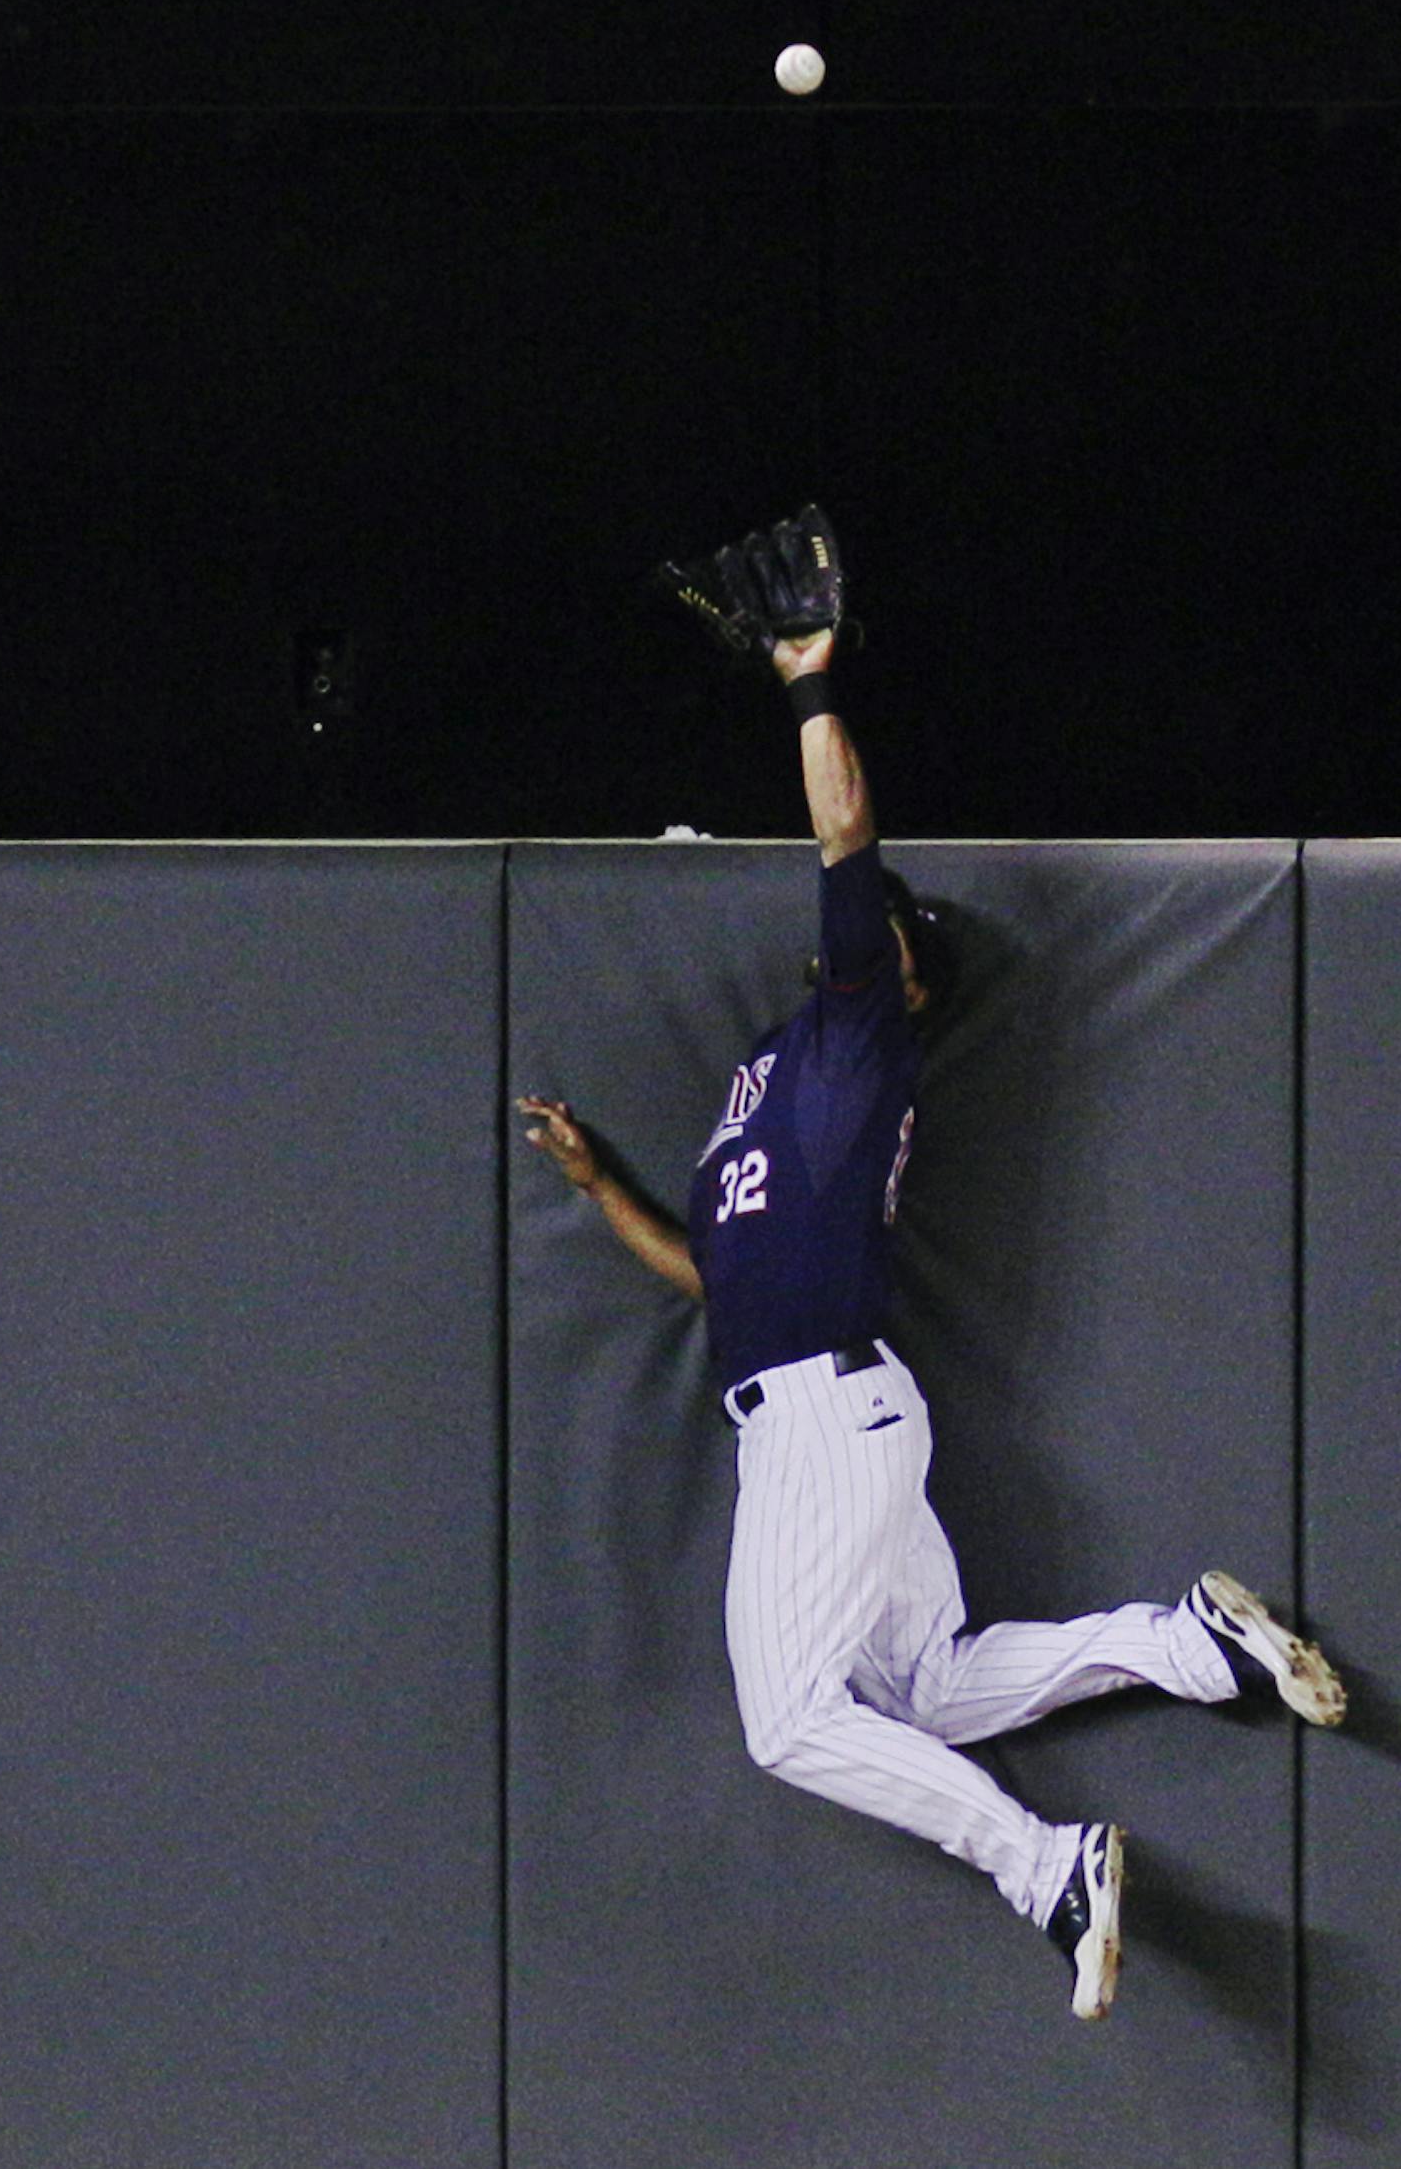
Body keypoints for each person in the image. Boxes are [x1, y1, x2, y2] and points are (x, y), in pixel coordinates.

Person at [518, 506, 1343, 2022]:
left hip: (827, 1423)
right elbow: (715, 1273)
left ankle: (1047, 1871)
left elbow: (845, 838)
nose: (862, 926)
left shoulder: (859, 1027)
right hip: (823, 1409)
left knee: (790, 1723)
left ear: (897, 971)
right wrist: (599, 1190)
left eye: (886, 930)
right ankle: (1190, 1644)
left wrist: (809, 682)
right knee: (929, 1688)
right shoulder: (780, 1072)